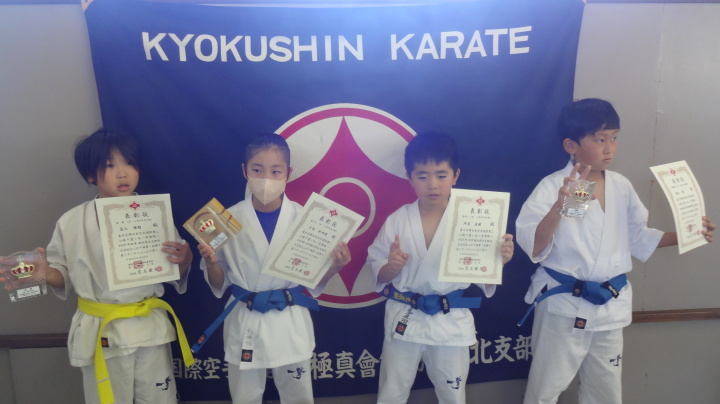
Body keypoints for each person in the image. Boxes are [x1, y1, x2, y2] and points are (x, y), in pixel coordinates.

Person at [515, 98, 715, 404]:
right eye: (599, 140)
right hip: (565, 304)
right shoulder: (552, 186)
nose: (609, 148)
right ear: (571, 145)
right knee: (545, 389)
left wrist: (688, 235)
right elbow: (534, 245)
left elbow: (638, 237)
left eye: (614, 138)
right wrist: (560, 205)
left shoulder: (621, 186)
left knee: (605, 392)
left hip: (609, 304)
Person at [16, 129, 194, 404]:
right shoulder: (71, 222)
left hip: (148, 326)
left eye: (129, 163)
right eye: (110, 165)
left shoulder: (155, 214)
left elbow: (173, 271)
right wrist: (46, 273)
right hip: (102, 329)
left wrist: (185, 260)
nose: (122, 173)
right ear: (90, 174)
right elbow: (63, 273)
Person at [197, 133, 351, 404]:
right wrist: (211, 262)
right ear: (245, 171)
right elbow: (219, 284)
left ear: (288, 173)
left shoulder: (307, 220)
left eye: (275, 171)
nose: (266, 178)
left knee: (298, 395)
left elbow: (313, 281)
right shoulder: (223, 220)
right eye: (257, 170)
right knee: (244, 397)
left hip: (288, 316)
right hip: (245, 315)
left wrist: (334, 267)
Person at [366, 132, 514, 404]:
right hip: (405, 316)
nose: (432, 184)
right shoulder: (398, 220)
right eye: (422, 176)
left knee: (453, 395)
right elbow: (378, 272)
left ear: (455, 176)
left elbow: (485, 276)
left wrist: (498, 260)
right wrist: (391, 266)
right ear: (410, 178)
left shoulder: (473, 218)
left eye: (441, 175)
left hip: (450, 319)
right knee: (392, 393)